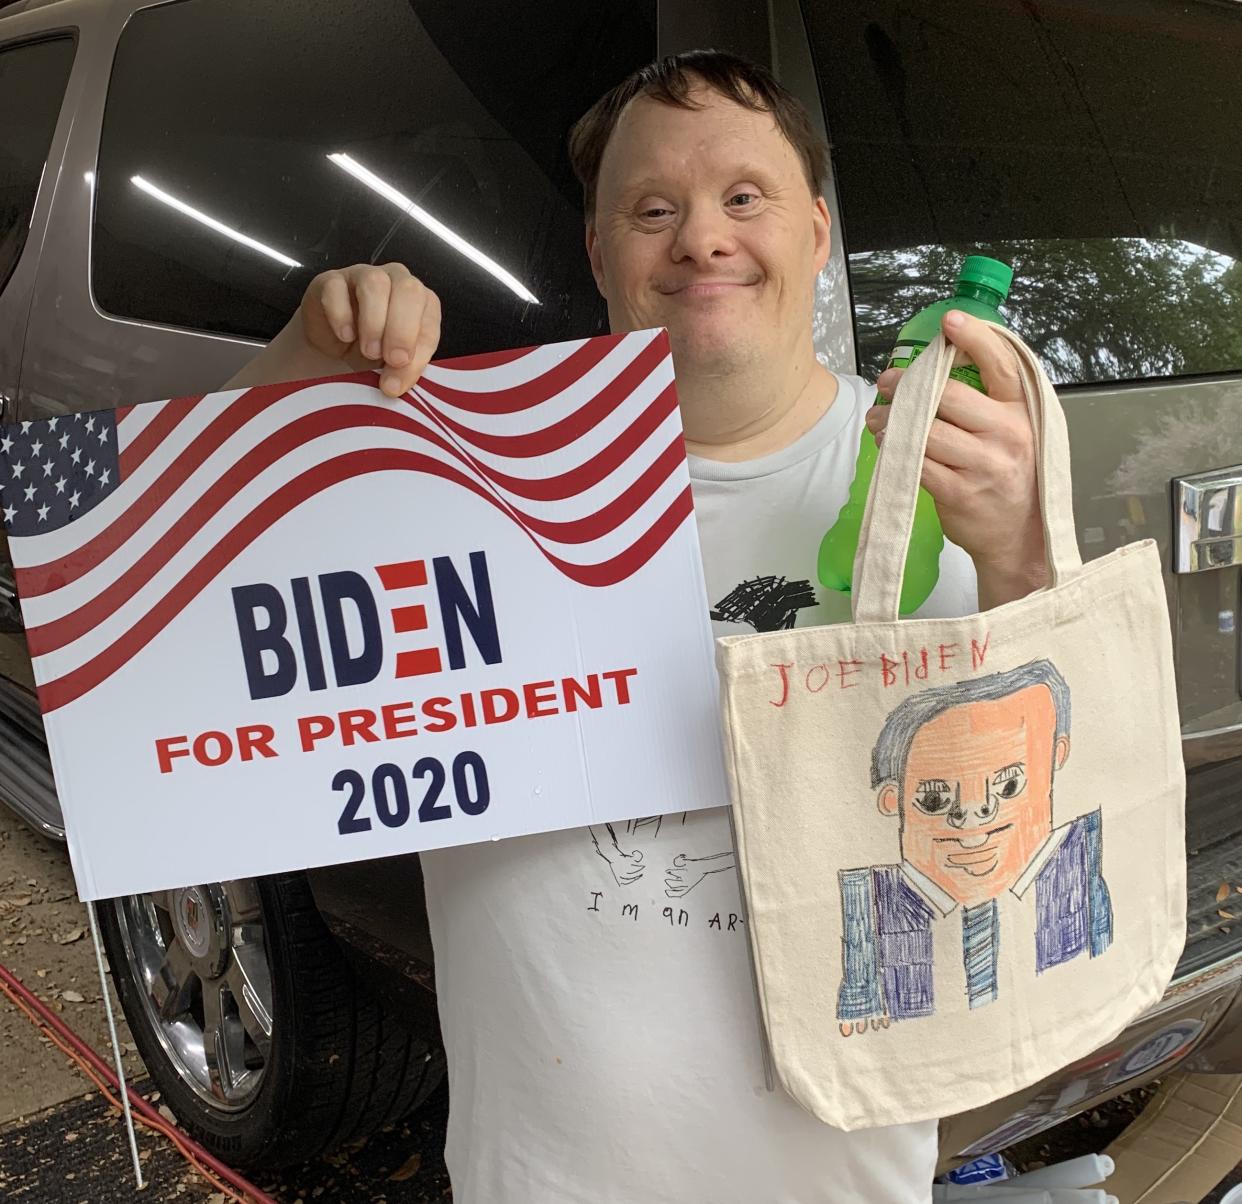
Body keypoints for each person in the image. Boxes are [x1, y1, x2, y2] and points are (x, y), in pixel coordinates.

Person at [230, 49, 1049, 1204]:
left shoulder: (941, 477)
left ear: (817, 232)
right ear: (600, 252)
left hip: (850, 1177)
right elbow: (209, 631)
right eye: (652, 209)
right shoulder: (462, 469)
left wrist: (1019, 555)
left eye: (744, 198)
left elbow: (1044, 822)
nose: (702, 238)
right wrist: (304, 385)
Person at [837, 660, 1113, 1032]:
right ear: (892, 800)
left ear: (1056, 756)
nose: (972, 820)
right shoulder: (870, 907)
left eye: (1008, 787)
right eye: (935, 801)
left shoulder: (1077, 866)